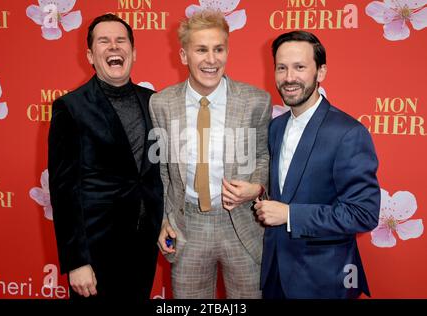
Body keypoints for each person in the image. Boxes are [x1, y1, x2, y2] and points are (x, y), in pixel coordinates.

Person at [149, 9, 271, 299]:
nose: (211, 59)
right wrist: (165, 218)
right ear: (183, 55)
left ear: (227, 51)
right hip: (187, 226)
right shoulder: (162, 104)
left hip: (241, 224)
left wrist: (257, 187)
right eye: (201, 50)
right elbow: (162, 169)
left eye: (218, 49)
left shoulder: (256, 101)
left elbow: (263, 155)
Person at [255, 30, 380, 299]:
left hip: (323, 281)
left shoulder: (348, 133)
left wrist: (290, 215)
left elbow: (363, 214)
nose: (289, 78)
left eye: (300, 67)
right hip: (274, 276)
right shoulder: (275, 127)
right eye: (282, 68)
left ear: (320, 72)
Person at [48, 13, 163, 302]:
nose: (114, 47)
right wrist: (76, 261)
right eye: (104, 41)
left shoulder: (155, 101)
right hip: (96, 252)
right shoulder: (70, 107)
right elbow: (64, 190)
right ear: (90, 54)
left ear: (133, 52)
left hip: (143, 247)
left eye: (120, 40)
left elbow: (158, 174)